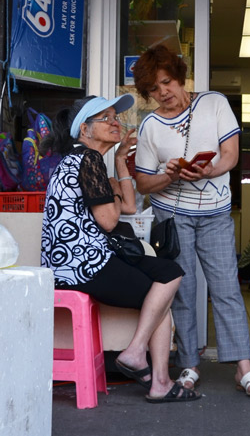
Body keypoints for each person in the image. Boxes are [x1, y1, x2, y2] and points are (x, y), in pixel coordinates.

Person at [40, 94, 200, 404]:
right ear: (84, 129)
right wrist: (111, 194)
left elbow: (128, 204)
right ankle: (149, 369)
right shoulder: (86, 160)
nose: (117, 123)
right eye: (107, 118)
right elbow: (111, 220)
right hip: (82, 265)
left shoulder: (89, 161)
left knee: (168, 274)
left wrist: (119, 162)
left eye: (117, 117)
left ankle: (146, 365)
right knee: (162, 296)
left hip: (85, 260)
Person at [133, 44, 250, 397]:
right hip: (172, 215)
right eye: (154, 90)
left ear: (179, 76)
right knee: (184, 291)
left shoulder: (214, 103)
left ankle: (244, 368)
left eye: (167, 83)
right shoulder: (150, 126)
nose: (164, 93)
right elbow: (143, 182)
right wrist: (170, 174)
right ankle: (190, 364)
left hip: (215, 213)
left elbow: (231, 155)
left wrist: (210, 170)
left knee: (226, 288)